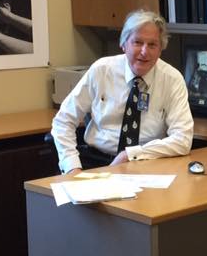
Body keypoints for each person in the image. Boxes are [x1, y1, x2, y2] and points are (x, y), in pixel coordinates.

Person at [51, 9, 194, 175]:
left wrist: (130, 154)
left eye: (152, 45)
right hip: (96, 162)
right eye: (138, 42)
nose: (144, 51)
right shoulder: (101, 70)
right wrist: (72, 167)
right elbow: (63, 121)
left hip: (146, 164)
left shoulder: (172, 79)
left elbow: (183, 139)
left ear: (160, 49)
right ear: (124, 44)